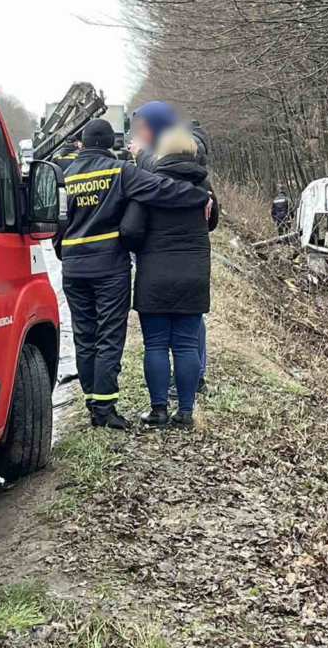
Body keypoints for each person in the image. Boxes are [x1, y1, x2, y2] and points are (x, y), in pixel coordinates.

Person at [56, 119, 212, 430]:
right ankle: (106, 408)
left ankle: (92, 400)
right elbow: (160, 188)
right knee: (110, 336)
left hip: (74, 267)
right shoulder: (121, 172)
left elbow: (57, 219)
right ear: (111, 146)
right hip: (108, 268)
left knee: (84, 336)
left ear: (82, 144)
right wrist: (200, 197)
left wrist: (64, 251)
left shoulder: (65, 174)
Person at [121, 126, 219, 429]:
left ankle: (159, 411)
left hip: (155, 276)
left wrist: (141, 247)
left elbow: (130, 231)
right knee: (187, 346)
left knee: (156, 345)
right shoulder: (205, 189)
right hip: (193, 276)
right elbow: (212, 224)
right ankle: (186, 413)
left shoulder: (149, 187)